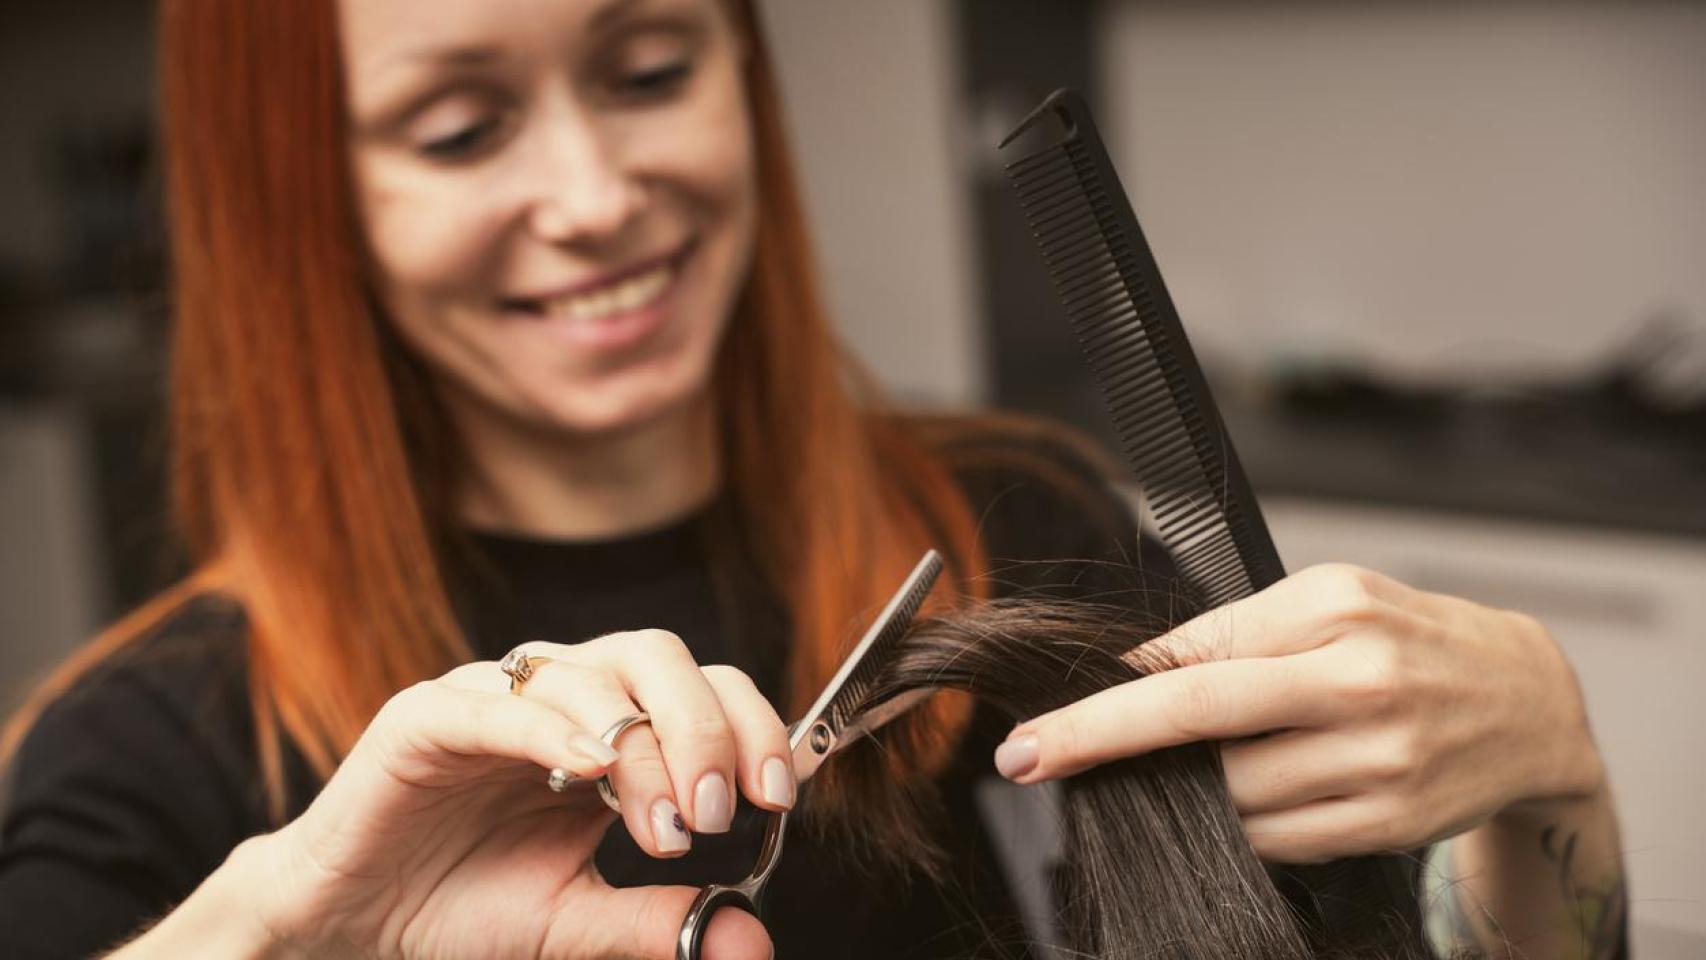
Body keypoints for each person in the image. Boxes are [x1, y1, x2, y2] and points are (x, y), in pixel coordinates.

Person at [0, 0, 1625, 957]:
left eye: (647, 71)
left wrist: (1548, 788)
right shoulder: (150, 753)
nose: (594, 195)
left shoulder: (1016, 531)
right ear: (303, 201)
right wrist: (284, 933)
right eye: (457, 129)